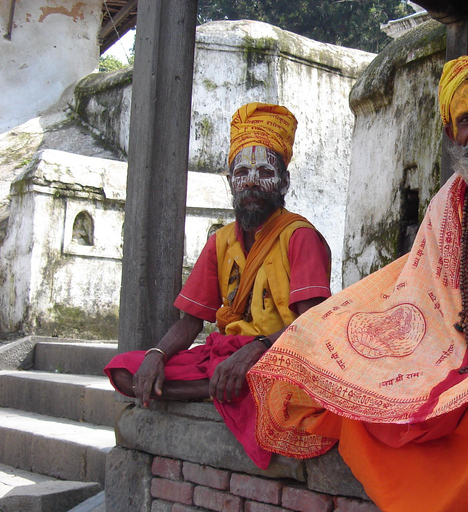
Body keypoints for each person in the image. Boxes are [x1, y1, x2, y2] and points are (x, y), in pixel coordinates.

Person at [246, 56, 468, 511]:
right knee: (358, 391)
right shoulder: (446, 204)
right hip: (451, 357)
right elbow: (419, 293)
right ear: (450, 134)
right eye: (467, 121)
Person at [105, 102, 332, 470]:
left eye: (265, 172)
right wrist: (156, 356)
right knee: (124, 370)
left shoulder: (299, 237)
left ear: (284, 182)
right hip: (224, 357)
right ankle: (223, 387)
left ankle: (228, 385)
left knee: (283, 386)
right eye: (241, 172)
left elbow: (313, 325)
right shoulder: (220, 241)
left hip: (278, 356)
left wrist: (255, 351)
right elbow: (190, 322)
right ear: (230, 183)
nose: (252, 182)